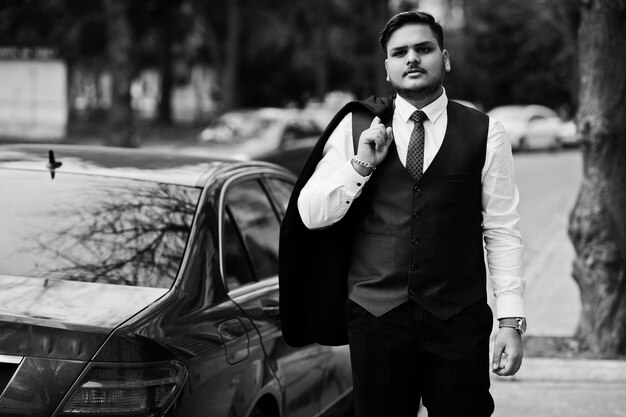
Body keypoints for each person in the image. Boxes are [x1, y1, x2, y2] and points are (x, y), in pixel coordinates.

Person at [278, 10, 525, 417]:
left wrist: (511, 322)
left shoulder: (487, 133)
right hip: (376, 320)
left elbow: (502, 231)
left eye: (423, 49)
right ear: (388, 68)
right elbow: (310, 214)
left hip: (457, 320)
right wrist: (360, 166)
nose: (412, 58)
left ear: (444, 59)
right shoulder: (356, 127)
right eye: (400, 52)